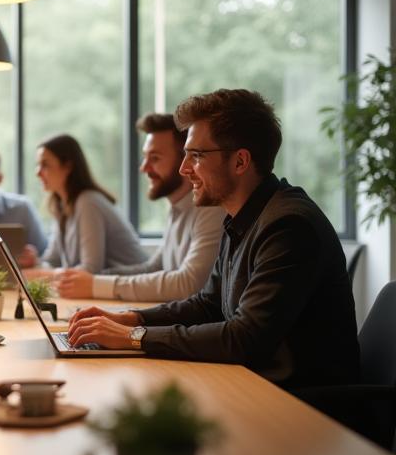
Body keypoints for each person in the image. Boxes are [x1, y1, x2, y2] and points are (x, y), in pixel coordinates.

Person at [68, 89, 360, 389]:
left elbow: (244, 338)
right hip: (254, 387)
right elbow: (208, 304)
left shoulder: (289, 226)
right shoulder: (240, 217)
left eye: (195, 156)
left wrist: (132, 338)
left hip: (303, 407)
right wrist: (130, 319)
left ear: (240, 162)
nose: (184, 169)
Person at [55, 113, 224, 301]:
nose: (144, 168)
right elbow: (154, 268)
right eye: (145, 158)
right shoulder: (177, 208)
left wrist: (96, 285)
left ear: (185, 161)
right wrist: (93, 280)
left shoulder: (211, 208)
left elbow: (188, 283)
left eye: (155, 158)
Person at [19, 134, 147, 273]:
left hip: (134, 287)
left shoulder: (88, 202)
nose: (38, 172)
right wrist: (36, 262)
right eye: (38, 164)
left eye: (45, 164)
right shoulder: (61, 205)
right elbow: (53, 260)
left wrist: (45, 272)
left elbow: (90, 269)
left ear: (67, 166)